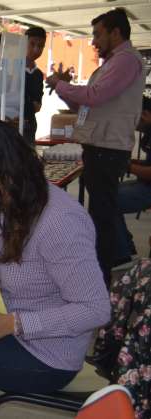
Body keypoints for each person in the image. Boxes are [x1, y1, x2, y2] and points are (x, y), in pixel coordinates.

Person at [0, 118, 111, 393]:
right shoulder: (0, 203)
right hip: (7, 326)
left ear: (11, 172)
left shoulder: (59, 222)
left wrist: (13, 324)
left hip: (47, 356)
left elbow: (95, 310)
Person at [46, 7, 145, 285]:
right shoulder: (113, 63)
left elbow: (96, 96)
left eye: (98, 35)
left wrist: (59, 84)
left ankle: (99, 279)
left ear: (116, 32)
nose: (93, 42)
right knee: (100, 213)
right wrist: (65, 90)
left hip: (107, 149)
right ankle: (100, 273)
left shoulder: (125, 60)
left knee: (102, 216)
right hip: (98, 145)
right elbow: (87, 104)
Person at [114, 105, 151, 265]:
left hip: (148, 188)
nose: (134, 124)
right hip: (144, 184)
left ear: (146, 114)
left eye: (136, 119)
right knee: (106, 194)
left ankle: (123, 255)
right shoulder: (148, 132)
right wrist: (132, 162)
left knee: (109, 200)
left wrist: (127, 166)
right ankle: (125, 247)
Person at [24, 27, 47, 143]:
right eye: (32, 44)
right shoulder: (12, 69)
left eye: (41, 46)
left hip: (30, 126)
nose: (36, 49)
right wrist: (30, 104)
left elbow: (37, 106)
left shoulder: (38, 74)